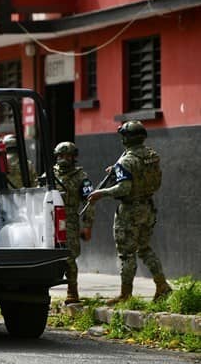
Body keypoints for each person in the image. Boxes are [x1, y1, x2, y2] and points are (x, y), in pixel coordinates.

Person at [88, 121, 171, 304]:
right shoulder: (151, 155)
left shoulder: (126, 160)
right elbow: (143, 175)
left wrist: (101, 193)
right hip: (147, 207)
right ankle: (162, 285)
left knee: (126, 254)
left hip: (130, 211)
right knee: (145, 248)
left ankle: (126, 295)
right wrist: (117, 171)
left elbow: (124, 189)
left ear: (126, 138)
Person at [52, 141, 95, 304]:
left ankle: (72, 291)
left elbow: (90, 202)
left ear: (73, 157)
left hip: (69, 220)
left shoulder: (81, 177)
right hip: (49, 219)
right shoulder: (50, 174)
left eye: (67, 155)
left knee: (69, 257)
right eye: (60, 156)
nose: (63, 159)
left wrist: (87, 226)